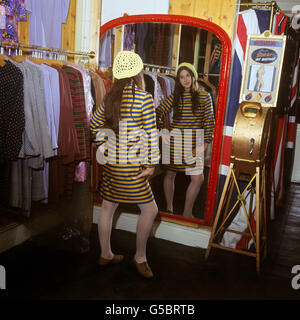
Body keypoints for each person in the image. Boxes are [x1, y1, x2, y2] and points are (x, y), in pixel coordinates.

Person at [90, 50, 160, 278]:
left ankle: (105, 253)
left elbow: (93, 126)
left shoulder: (110, 96)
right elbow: (151, 134)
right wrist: (151, 164)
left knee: (108, 207)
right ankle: (140, 257)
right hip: (131, 166)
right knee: (150, 210)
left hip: (111, 164)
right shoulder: (144, 98)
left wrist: (103, 146)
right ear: (137, 73)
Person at [156, 62, 215, 219]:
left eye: (188, 75)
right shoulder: (176, 95)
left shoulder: (204, 96)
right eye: (181, 77)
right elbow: (157, 112)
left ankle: (187, 212)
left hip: (193, 143)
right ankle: (169, 208)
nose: (185, 80)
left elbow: (209, 121)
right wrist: (161, 131)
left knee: (198, 178)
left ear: (193, 76)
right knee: (170, 174)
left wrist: (205, 144)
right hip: (174, 140)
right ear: (178, 80)